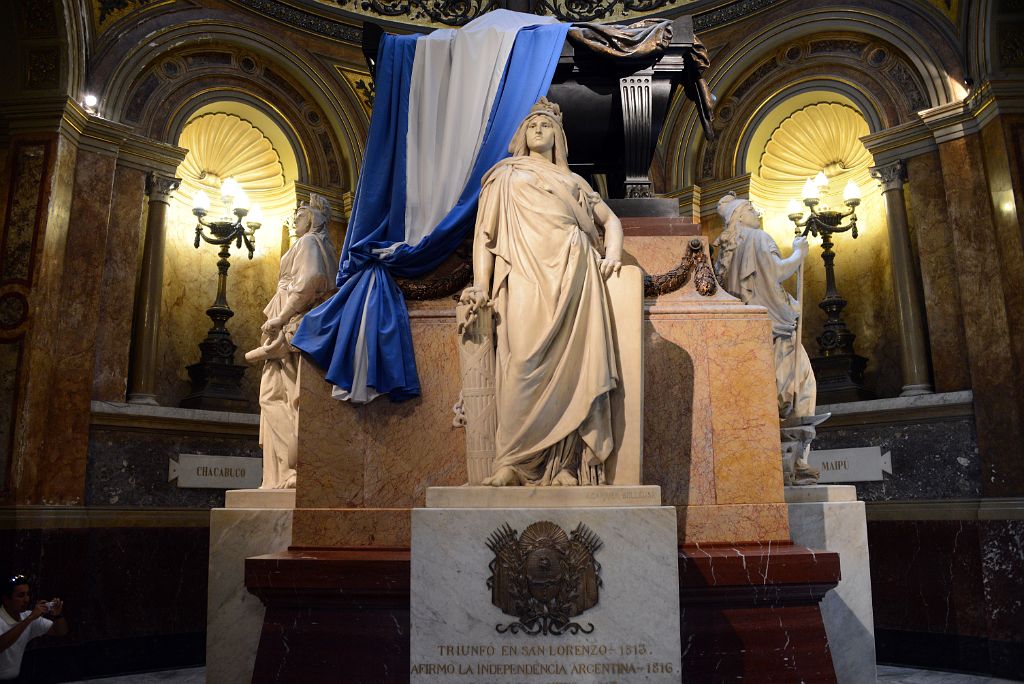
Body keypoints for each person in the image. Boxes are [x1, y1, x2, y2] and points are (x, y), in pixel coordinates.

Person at [461, 97, 623, 487]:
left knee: (573, 372)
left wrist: (613, 250)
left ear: (559, 138)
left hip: (573, 276)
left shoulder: (573, 182)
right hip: (524, 276)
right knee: (522, 363)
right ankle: (511, 463)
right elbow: (485, 237)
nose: (539, 130)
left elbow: (610, 220)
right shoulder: (505, 175)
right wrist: (480, 288)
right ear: (522, 135)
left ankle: (565, 467)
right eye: (533, 124)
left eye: (547, 125)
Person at [713, 192, 821, 484]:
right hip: (776, 332)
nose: (756, 211)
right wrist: (800, 253)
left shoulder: (724, 255)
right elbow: (777, 272)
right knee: (801, 390)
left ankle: (767, 465)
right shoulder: (759, 239)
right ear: (738, 216)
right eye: (750, 208)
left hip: (747, 338)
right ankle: (796, 463)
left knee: (762, 399)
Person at [245, 194, 338, 489]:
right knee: (284, 397)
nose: (295, 219)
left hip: (291, 328)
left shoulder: (309, 243)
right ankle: (287, 470)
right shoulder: (324, 246)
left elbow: (309, 281)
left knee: (278, 397)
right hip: (295, 327)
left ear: (312, 218)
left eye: (300, 213)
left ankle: (294, 466)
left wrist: (281, 317)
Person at [0, 575, 68, 681]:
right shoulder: (27, 618)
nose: (26, 599)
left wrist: (58, 615)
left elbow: (59, 631)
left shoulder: (27, 616)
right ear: (6, 599)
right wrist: (30, 618)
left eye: (28, 594)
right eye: (21, 595)